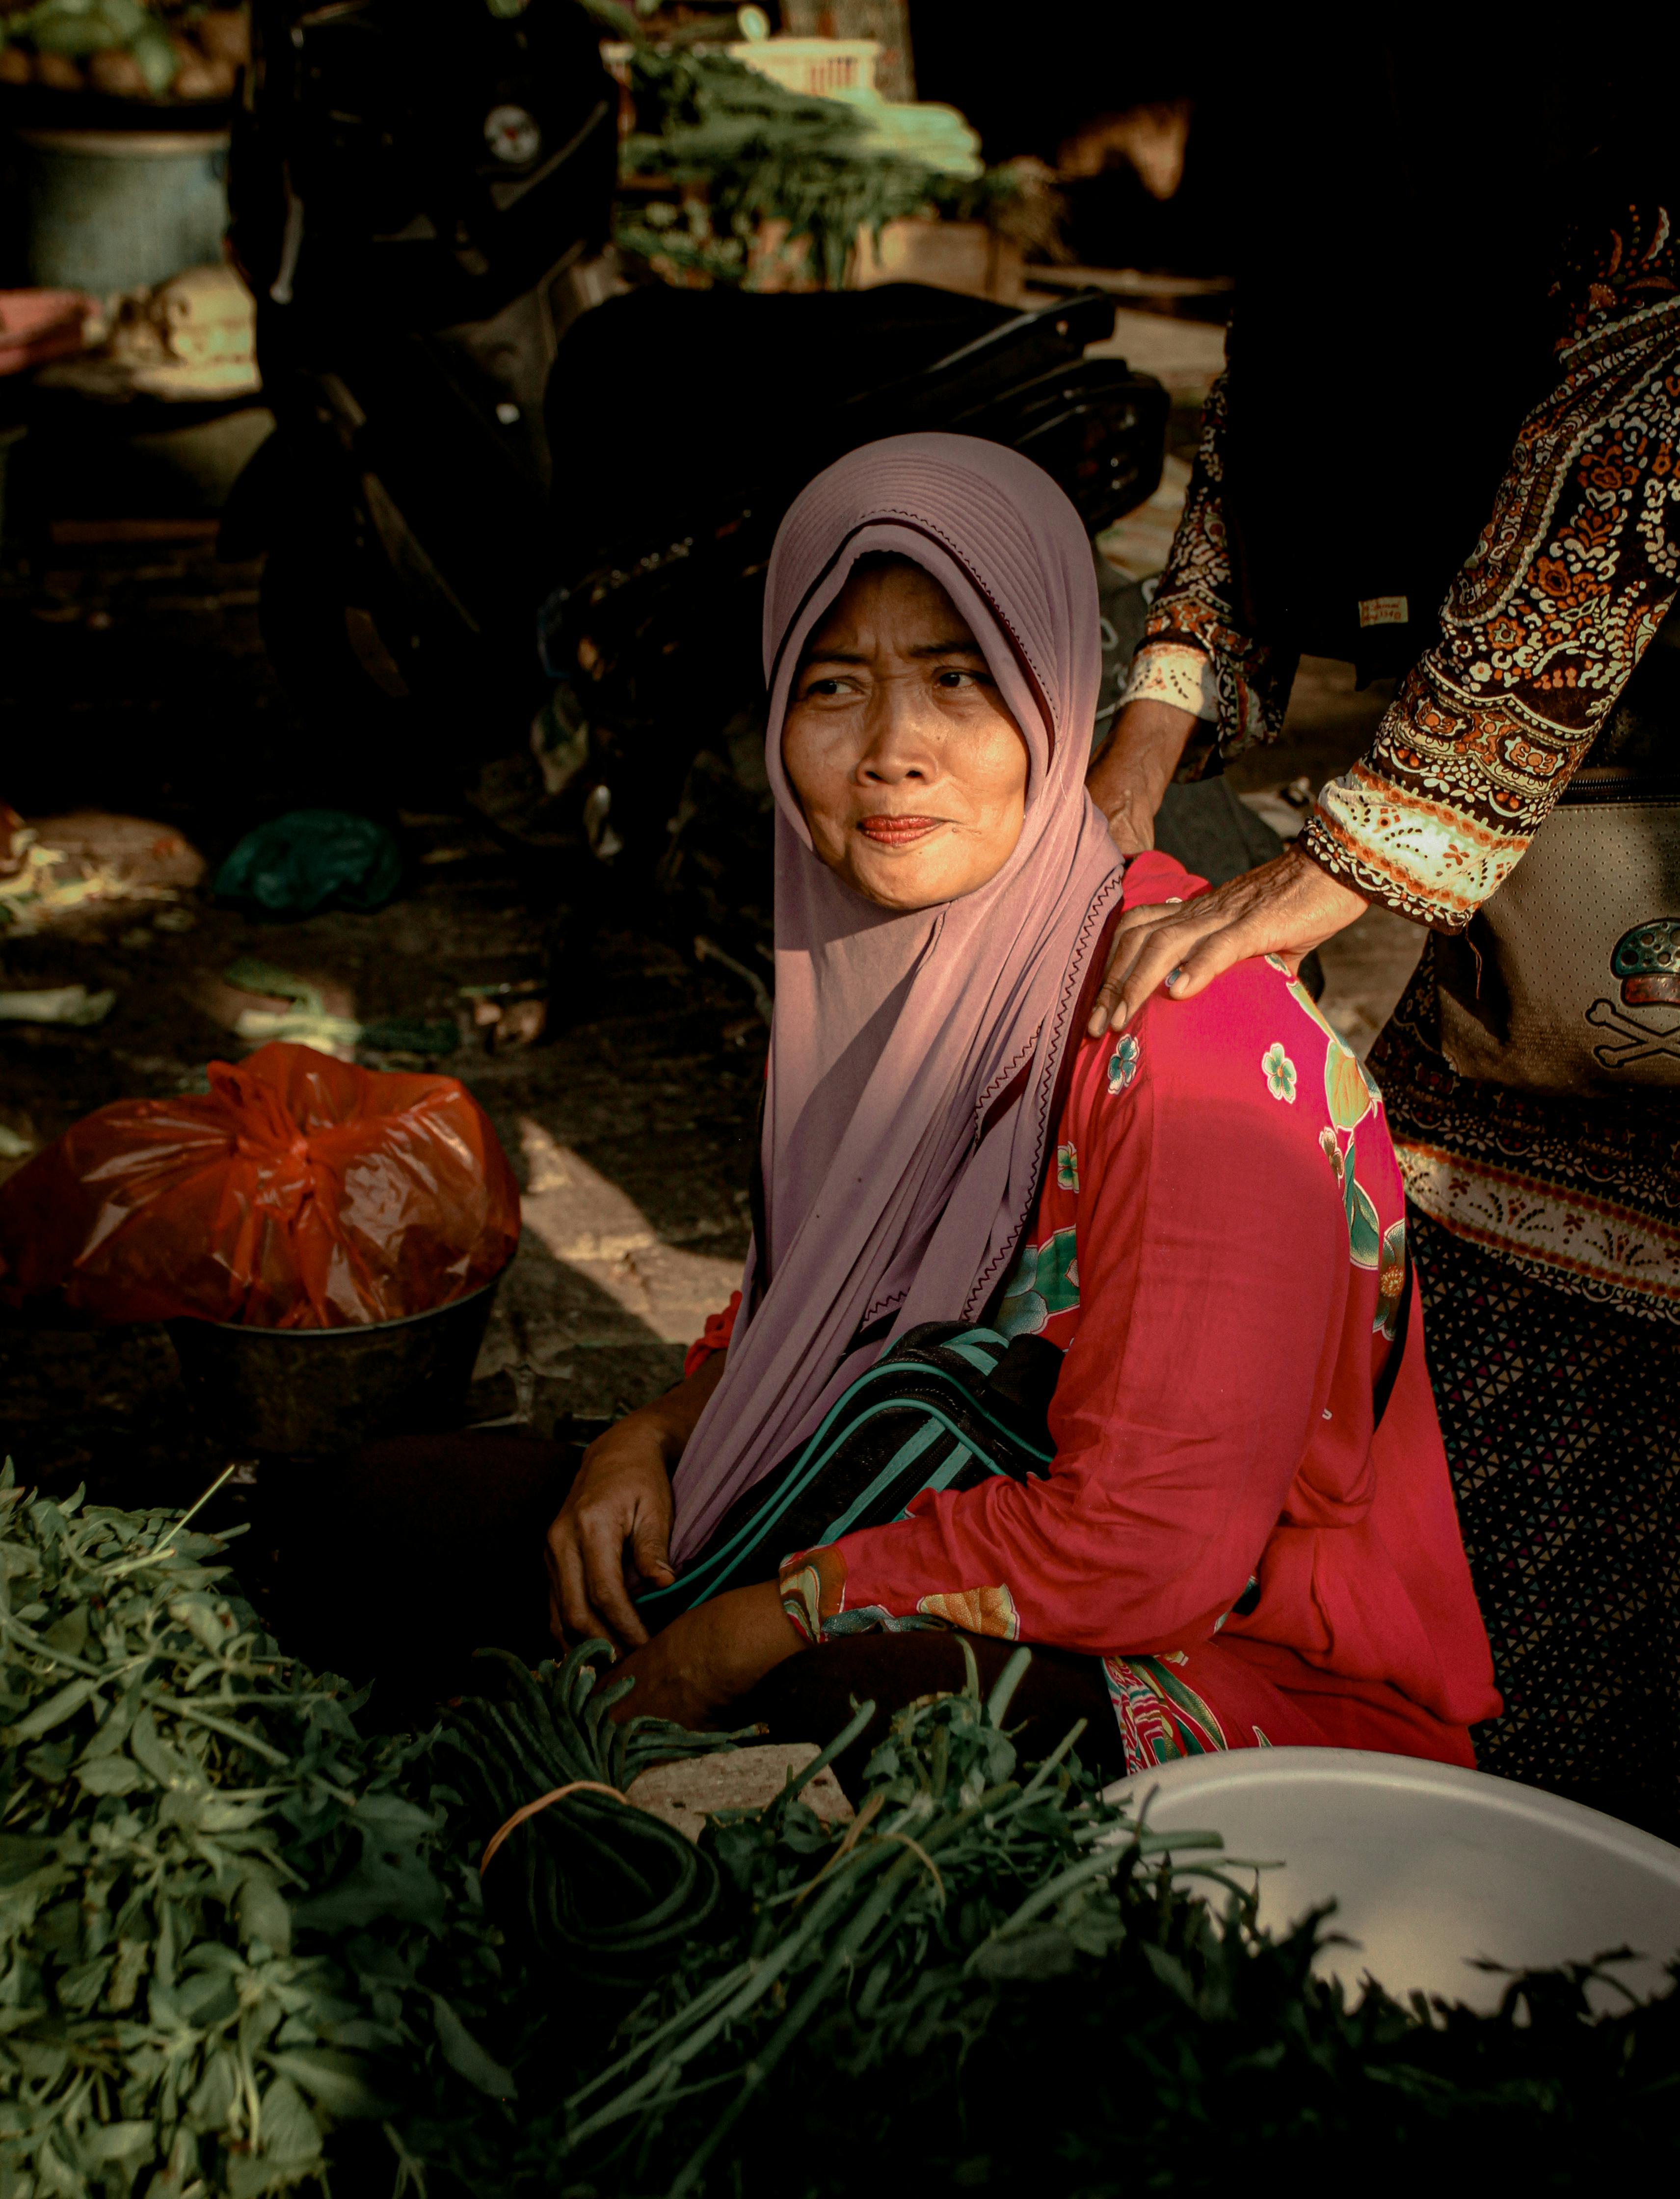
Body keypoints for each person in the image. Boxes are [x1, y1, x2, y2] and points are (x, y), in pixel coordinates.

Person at [546, 430, 1497, 1776]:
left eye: (960, 682)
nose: (893, 755)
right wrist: (639, 1438)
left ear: (1059, 705)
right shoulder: (898, 975)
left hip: (1236, 1678)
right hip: (926, 1516)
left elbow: (1149, 1549)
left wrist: (742, 1635)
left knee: (840, 1702)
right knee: (402, 1524)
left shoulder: (1182, 1030)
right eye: (832, 687)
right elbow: (818, 1322)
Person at [1080, 64, 1680, 1833]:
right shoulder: (1375, 146)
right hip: (1542, 907)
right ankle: (1534, 1816)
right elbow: (1271, 436)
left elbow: (1616, 482)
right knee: (1446, 1269)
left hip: (1607, 821)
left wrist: (1335, 868)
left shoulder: (1640, 193)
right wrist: (1145, 742)